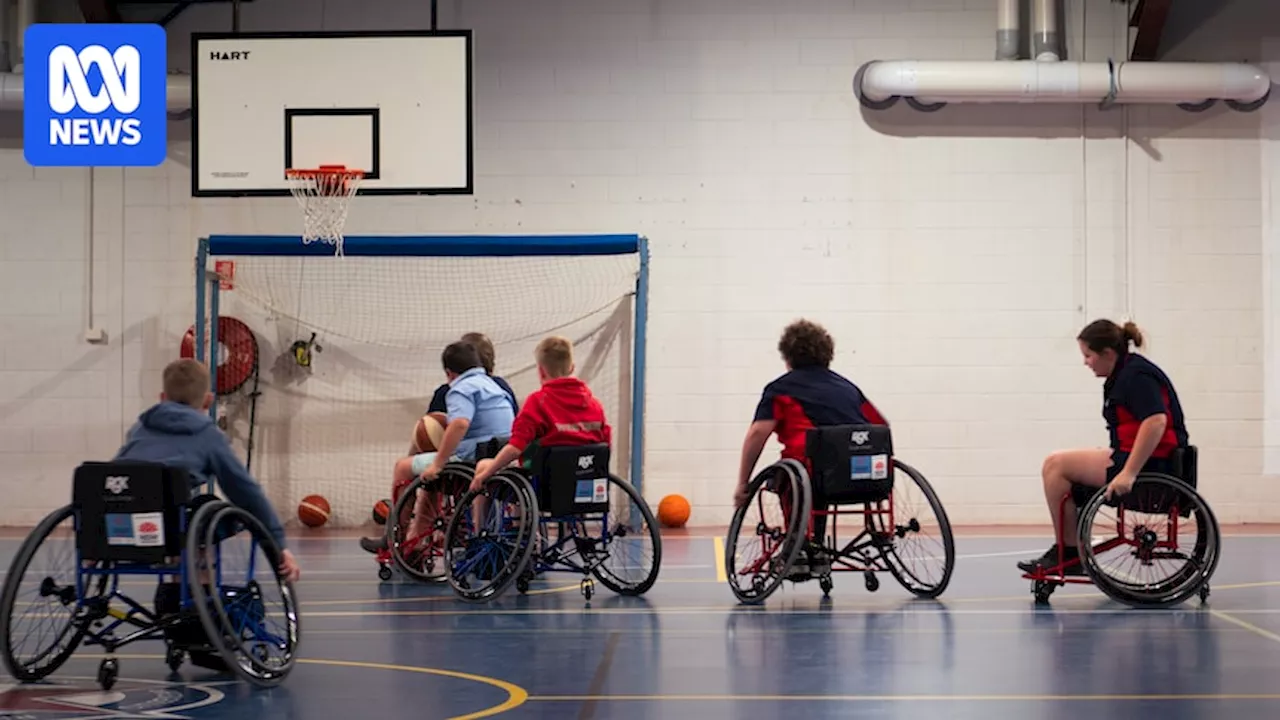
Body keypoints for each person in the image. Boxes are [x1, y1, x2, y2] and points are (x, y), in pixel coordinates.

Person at [113, 358, 300, 670]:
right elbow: (246, 493)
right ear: (208, 401)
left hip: (119, 531)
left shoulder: (140, 427)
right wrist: (278, 545)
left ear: (162, 398)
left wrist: (88, 540)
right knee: (212, 510)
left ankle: (172, 591)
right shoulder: (206, 434)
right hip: (172, 529)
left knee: (181, 511)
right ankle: (197, 598)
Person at [1016, 319, 1189, 575]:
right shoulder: (1126, 372)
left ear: (1108, 353)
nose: (1085, 362)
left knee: (1055, 465)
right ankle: (1071, 545)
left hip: (1154, 467)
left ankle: (1070, 550)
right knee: (1061, 464)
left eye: (1088, 355)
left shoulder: (1135, 376)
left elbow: (1156, 421)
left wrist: (1128, 473)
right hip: (1144, 459)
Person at [733, 319, 888, 576]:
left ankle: (800, 546)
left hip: (810, 474)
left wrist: (743, 483)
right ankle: (814, 544)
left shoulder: (780, 389)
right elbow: (879, 427)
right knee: (822, 472)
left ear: (788, 357)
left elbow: (757, 434)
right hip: (863, 477)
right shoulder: (849, 388)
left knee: (792, 472)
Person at [360, 341, 517, 553]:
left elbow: (460, 423)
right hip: (499, 456)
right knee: (425, 468)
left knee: (402, 467)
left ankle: (393, 538)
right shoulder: (494, 385)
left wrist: (437, 463)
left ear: (449, 373)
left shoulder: (460, 388)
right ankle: (409, 540)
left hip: (471, 458)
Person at [469, 335, 611, 492]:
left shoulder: (538, 402)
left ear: (541, 371)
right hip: (585, 479)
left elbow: (515, 449)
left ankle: (480, 518)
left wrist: (484, 476)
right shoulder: (595, 405)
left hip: (546, 482)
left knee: (484, 466)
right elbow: (605, 444)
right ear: (571, 368)